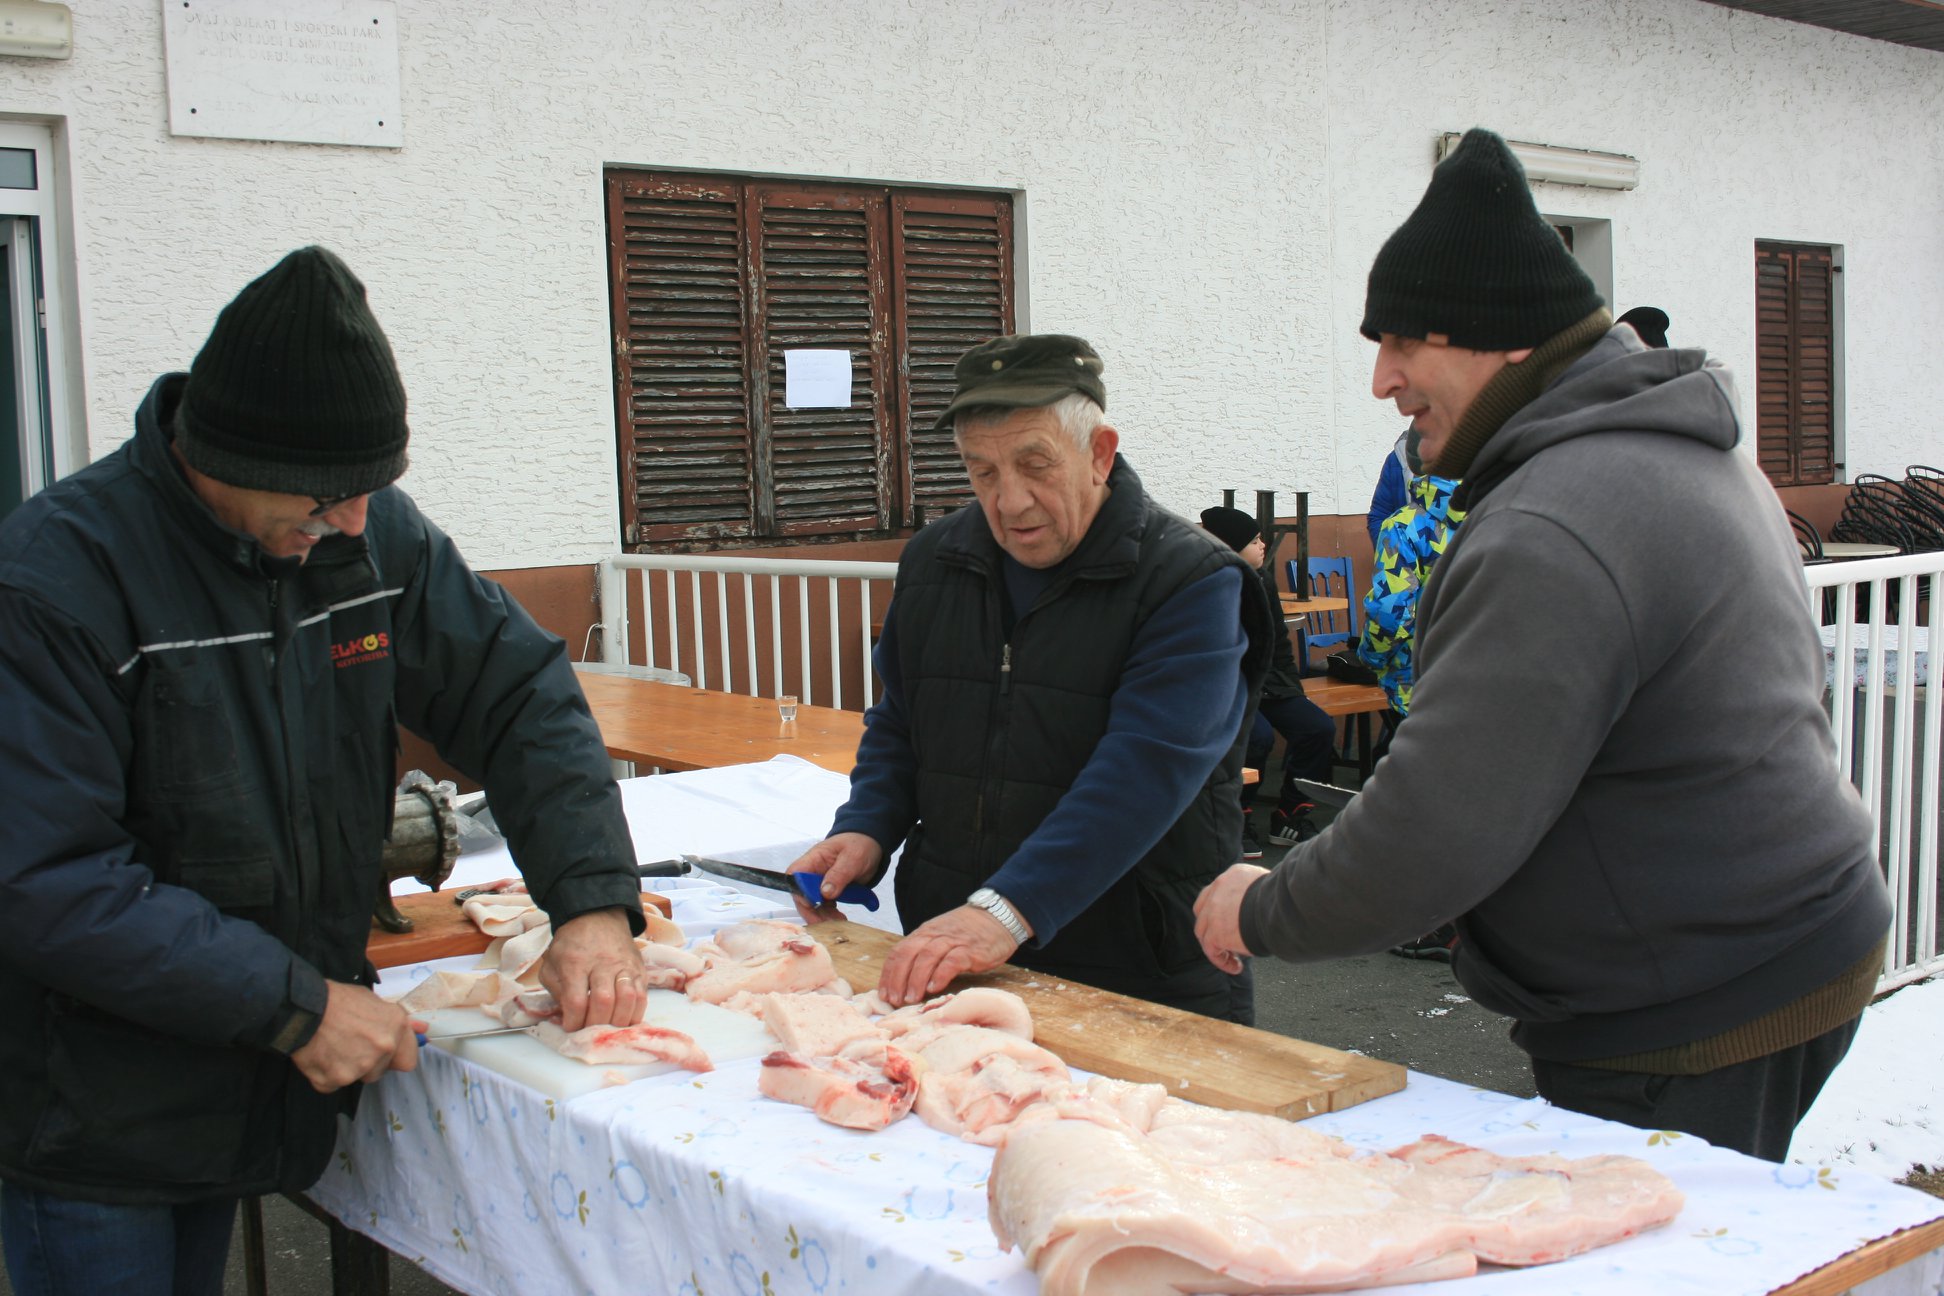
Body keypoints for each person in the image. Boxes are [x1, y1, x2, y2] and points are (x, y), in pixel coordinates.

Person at [1193, 129, 1890, 1162]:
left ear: (1508, 339)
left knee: (1653, 1240)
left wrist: (1263, 905)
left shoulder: (1559, 522)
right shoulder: (1662, 448)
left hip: (1694, 1003)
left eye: (1405, 343)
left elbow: (1436, 827)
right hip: (1767, 942)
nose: (1383, 378)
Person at [0, 247, 651, 1295]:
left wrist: (591, 902)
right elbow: (48, 878)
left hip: (247, 1068)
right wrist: (296, 1006)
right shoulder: (57, 579)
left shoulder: (364, 532)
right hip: (97, 1106)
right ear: (221, 455)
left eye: (371, 490)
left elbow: (518, 693)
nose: (353, 522)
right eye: (328, 496)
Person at [788, 334, 1273, 1023]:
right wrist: (868, 826)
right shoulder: (935, 560)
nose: (1009, 501)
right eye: (982, 471)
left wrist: (1007, 910)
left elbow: (1146, 771)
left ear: (1100, 453)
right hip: (960, 946)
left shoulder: (1189, 579)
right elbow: (904, 721)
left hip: (1140, 964)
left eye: (1034, 465)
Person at [1356, 471, 1466, 961]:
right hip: (1491, 676)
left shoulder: (1406, 525)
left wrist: (1371, 658)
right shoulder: (1500, 512)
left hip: (1420, 679)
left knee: (1424, 801)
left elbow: (1389, 610)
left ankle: (1438, 924)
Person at [1198, 506, 1335, 855]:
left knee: (1317, 727)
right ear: (1230, 546)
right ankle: (1237, 816)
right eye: (1254, 540)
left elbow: (1278, 643)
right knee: (1257, 737)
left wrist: (1293, 690)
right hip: (1228, 688)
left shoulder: (1262, 582)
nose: (1263, 546)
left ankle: (1290, 815)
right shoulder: (1203, 587)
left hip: (1268, 683)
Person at [1365, 428, 1413, 547]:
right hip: (1404, 553)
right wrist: (1392, 553)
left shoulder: (1458, 457)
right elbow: (1380, 515)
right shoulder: (1397, 458)